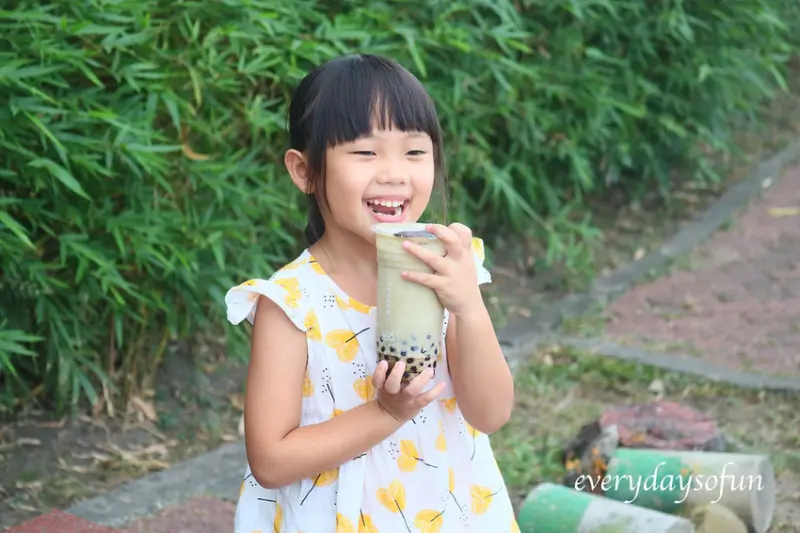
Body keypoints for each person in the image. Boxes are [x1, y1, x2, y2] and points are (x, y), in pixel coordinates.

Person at [225, 53, 519, 533]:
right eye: (365, 152)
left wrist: (468, 305)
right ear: (305, 171)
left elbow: (490, 412)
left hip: (445, 510)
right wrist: (385, 411)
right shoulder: (293, 304)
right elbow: (271, 460)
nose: (394, 173)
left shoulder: (447, 271)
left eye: (414, 152)